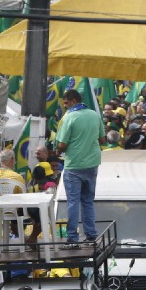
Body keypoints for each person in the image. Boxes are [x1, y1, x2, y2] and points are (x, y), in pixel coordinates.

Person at [55, 89, 102, 243]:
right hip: (92, 164)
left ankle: (72, 237)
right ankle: (91, 234)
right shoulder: (95, 115)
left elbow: (62, 144)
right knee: (87, 201)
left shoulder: (69, 117)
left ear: (74, 101)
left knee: (73, 202)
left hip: (74, 166)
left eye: (66, 103)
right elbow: (102, 140)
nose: (65, 106)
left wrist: (58, 151)